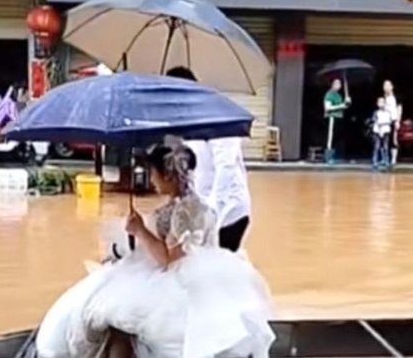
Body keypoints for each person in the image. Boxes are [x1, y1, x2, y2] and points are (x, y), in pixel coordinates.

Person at [36, 136, 275, 358]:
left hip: (178, 280)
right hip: (179, 272)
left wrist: (140, 230)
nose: (150, 180)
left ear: (168, 176)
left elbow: (169, 259)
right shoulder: (183, 204)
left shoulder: (186, 211)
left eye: (153, 174)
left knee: (114, 314)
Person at [166, 66, 251, 252]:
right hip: (202, 210)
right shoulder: (189, 120)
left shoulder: (219, 116)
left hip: (228, 211)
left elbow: (225, 167)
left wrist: (212, 215)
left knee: (220, 269)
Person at [323, 78, 351, 163]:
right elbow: (327, 108)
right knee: (330, 137)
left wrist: (347, 102)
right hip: (332, 118)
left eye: (340, 84)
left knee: (337, 138)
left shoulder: (339, 95)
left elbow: (344, 107)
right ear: (332, 84)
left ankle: (336, 156)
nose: (339, 85)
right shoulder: (329, 94)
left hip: (339, 118)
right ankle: (328, 157)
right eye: (337, 83)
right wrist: (341, 106)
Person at [383, 80, 403, 166]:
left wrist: (398, 120)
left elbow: (399, 109)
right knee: (384, 140)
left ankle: (393, 159)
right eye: (384, 86)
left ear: (392, 86)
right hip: (384, 121)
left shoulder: (396, 97)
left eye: (388, 85)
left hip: (393, 120)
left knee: (393, 139)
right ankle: (385, 158)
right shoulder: (383, 98)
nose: (386, 87)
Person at [371, 97, 392, 170]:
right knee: (377, 146)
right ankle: (375, 162)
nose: (381, 104)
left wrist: (384, 125)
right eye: (379, 102)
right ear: (377, 104)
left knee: (385, 147)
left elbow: (389, 121)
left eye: (383, 102)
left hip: (386, 131)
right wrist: (379, 129)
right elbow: (375, 121)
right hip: (377, 131)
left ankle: (386, 161)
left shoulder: (388, 112)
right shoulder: (376, 112)